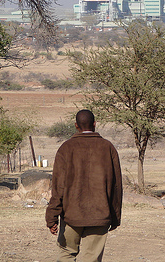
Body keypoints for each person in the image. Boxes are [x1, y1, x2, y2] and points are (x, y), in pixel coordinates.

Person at [46, 109, 123, 262]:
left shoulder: (66, 148)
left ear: (76, 125)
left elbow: (58, 188)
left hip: (71, 216)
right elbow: (116, 187)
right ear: (94, 124)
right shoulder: (108, 148)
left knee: (66, 255)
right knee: (91, 259)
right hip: (99, 215)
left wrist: (52, 216)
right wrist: (115, 217)